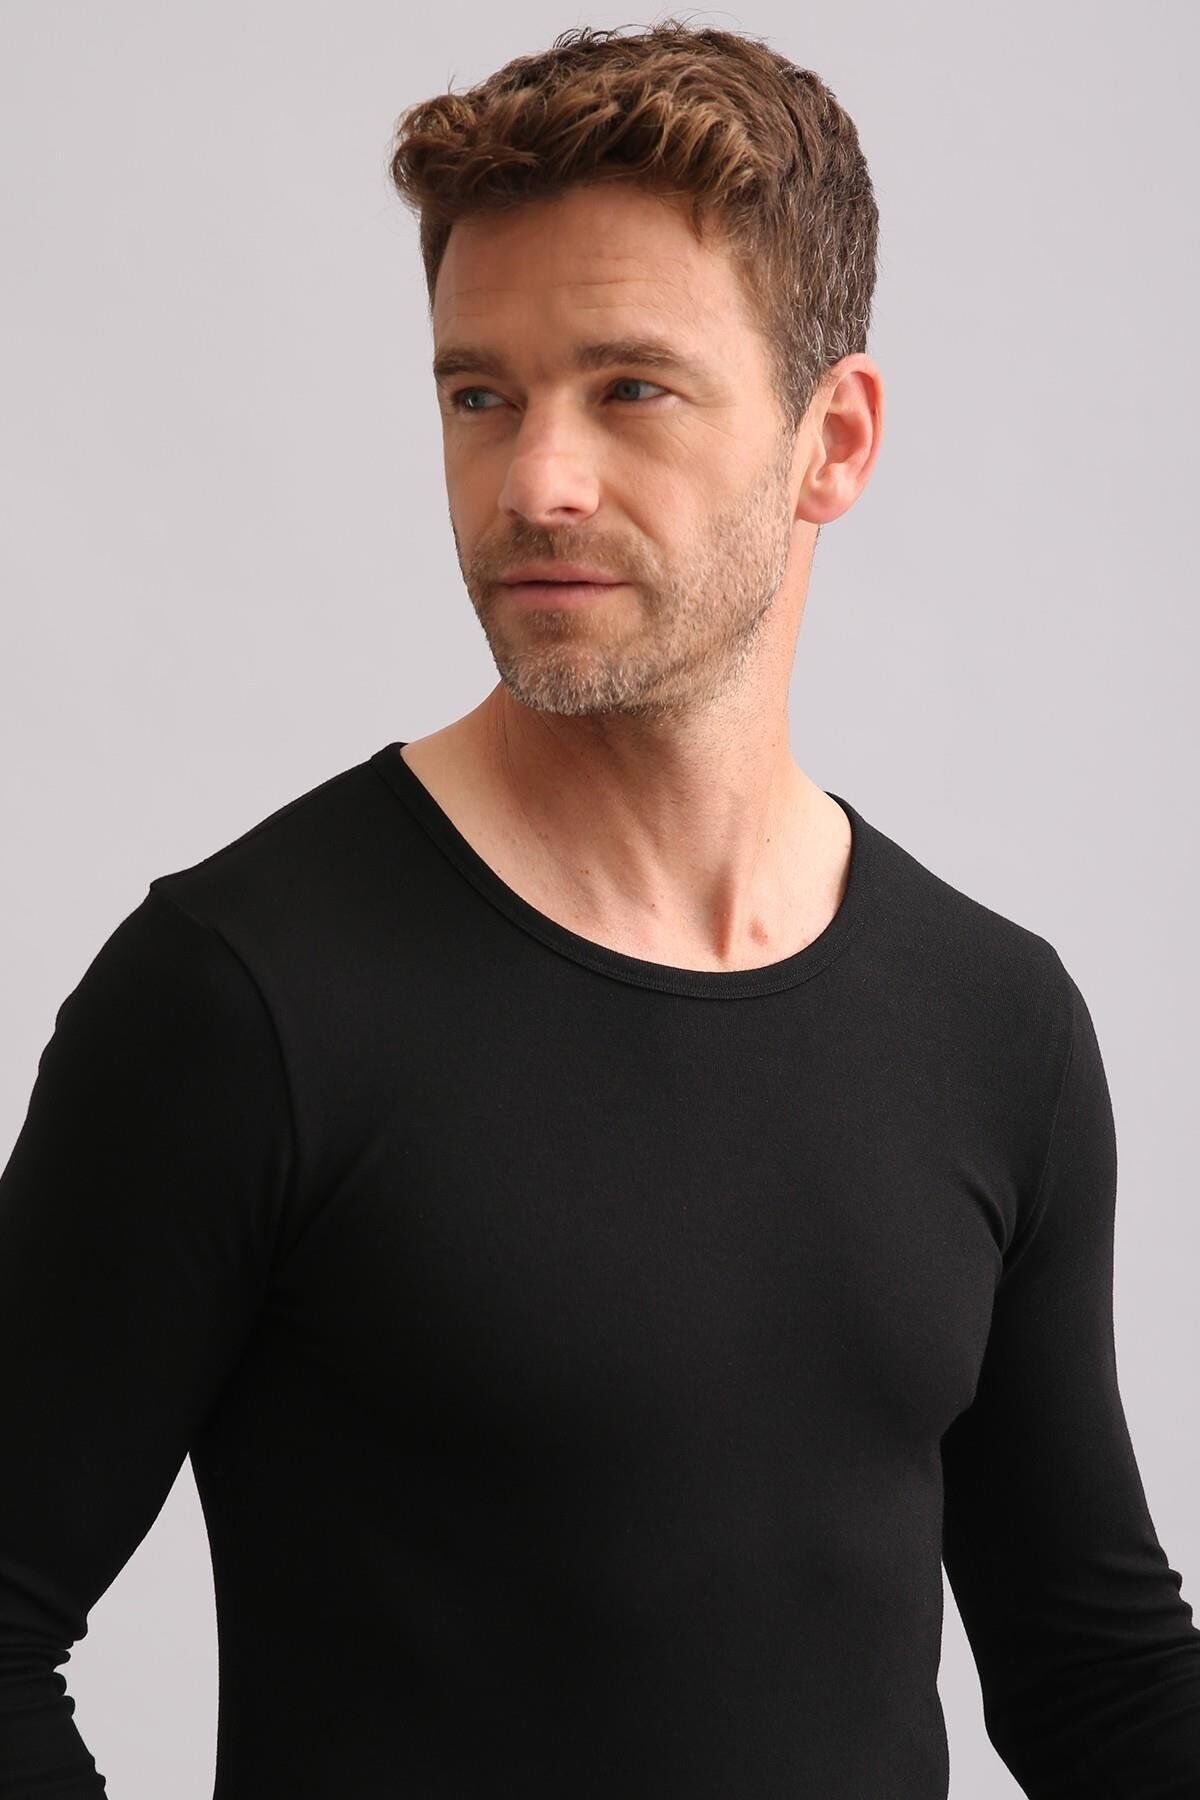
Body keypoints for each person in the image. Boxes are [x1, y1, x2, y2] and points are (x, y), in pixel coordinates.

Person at [2, 17, 1198, 1797]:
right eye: (479, 394)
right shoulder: (241, 998)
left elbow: (1098, 1677)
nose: (532, 482)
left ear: (834, 438)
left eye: (630, 388)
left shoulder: (995, 1023)